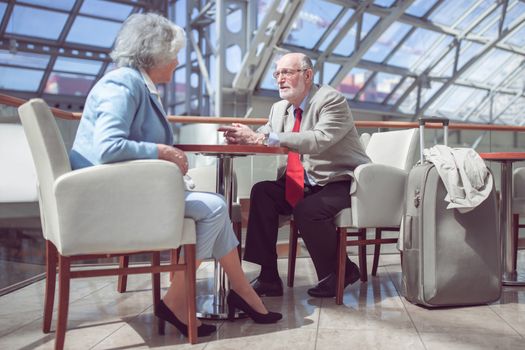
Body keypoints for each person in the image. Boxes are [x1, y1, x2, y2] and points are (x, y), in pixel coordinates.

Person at [69, 13, 281, 338]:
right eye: (174, 54)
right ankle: (176, 301)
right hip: (111, 200)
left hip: (124, 191)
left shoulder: (135, 84)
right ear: (156, 53)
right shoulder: (123, 83)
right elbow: (109, 146)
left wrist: (162, 152)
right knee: (214, 208)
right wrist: (163, 151)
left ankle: (240, 293)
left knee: (215, 207)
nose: (178, 62)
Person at [220, 52, 370, 298]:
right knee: (262, 192)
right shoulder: (279, 108)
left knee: (307, 210)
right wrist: (244, 135)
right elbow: (266, 133)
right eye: (277, 74)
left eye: (286, 73)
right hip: (304, 180)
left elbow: (318, 140)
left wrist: (263, 137)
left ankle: (341, 271)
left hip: (341, 179)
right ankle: (268, 277)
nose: (280, 79)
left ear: (308, 75)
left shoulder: (331, 100)